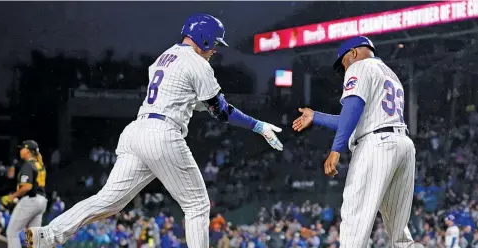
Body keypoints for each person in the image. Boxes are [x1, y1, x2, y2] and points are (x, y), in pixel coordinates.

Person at [26, 13, 283, 248]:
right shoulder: (197, 63)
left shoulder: (165, 56)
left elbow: (187, 100)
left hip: (137, 131)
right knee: (197, 205)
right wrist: (258, 126)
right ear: (203, 39)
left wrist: (205, 106)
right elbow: (221, 112)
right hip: (162, 133)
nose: (215, 49)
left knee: (107, 200)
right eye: (214, 42)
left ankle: (47, 235)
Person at [293, 36, 415, 247]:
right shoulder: (390, 74)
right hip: (402, 145)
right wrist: (316, 116)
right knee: (399, 232)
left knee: (355, 219)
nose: (345, 68)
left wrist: (335, 149)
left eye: (344, 62)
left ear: (354, 53)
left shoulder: (359, 66)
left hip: (376, 146)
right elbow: (354, 120)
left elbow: (352, 108)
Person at [4, 140, 48, 248]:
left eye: (22, 148)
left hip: (31, 200)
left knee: (12, 232)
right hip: (42, 201)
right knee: (32, 236)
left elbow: (27, 187)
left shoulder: (28, 165)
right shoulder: (40, 165)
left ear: (28, 151)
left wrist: (12, 197)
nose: (20, 150)